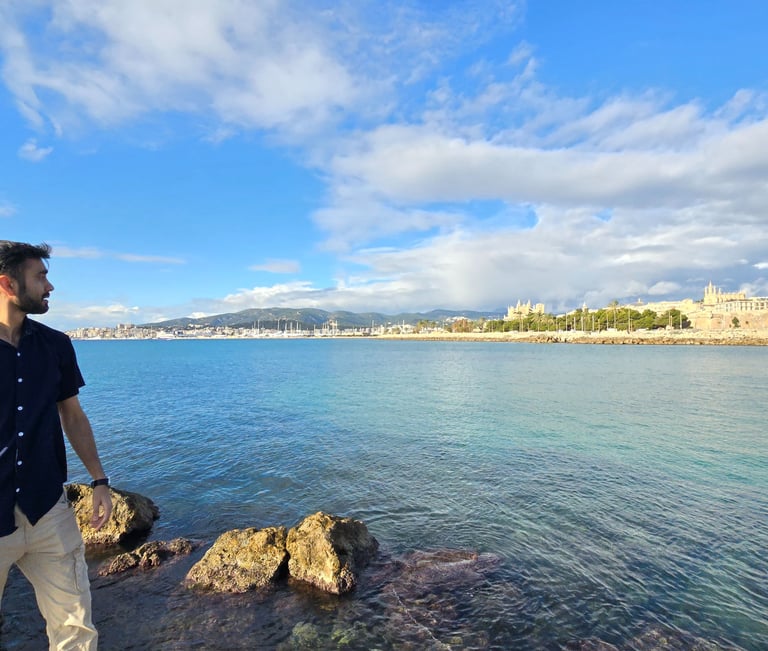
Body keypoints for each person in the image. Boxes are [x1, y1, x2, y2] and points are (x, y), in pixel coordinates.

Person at [0, 241, 112, 650]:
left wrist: (99, 480)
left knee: (76, 630)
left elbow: (73, 416)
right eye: (40, 276)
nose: (50, 287)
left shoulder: (56, 345)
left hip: (48, 509)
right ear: (7, 284)